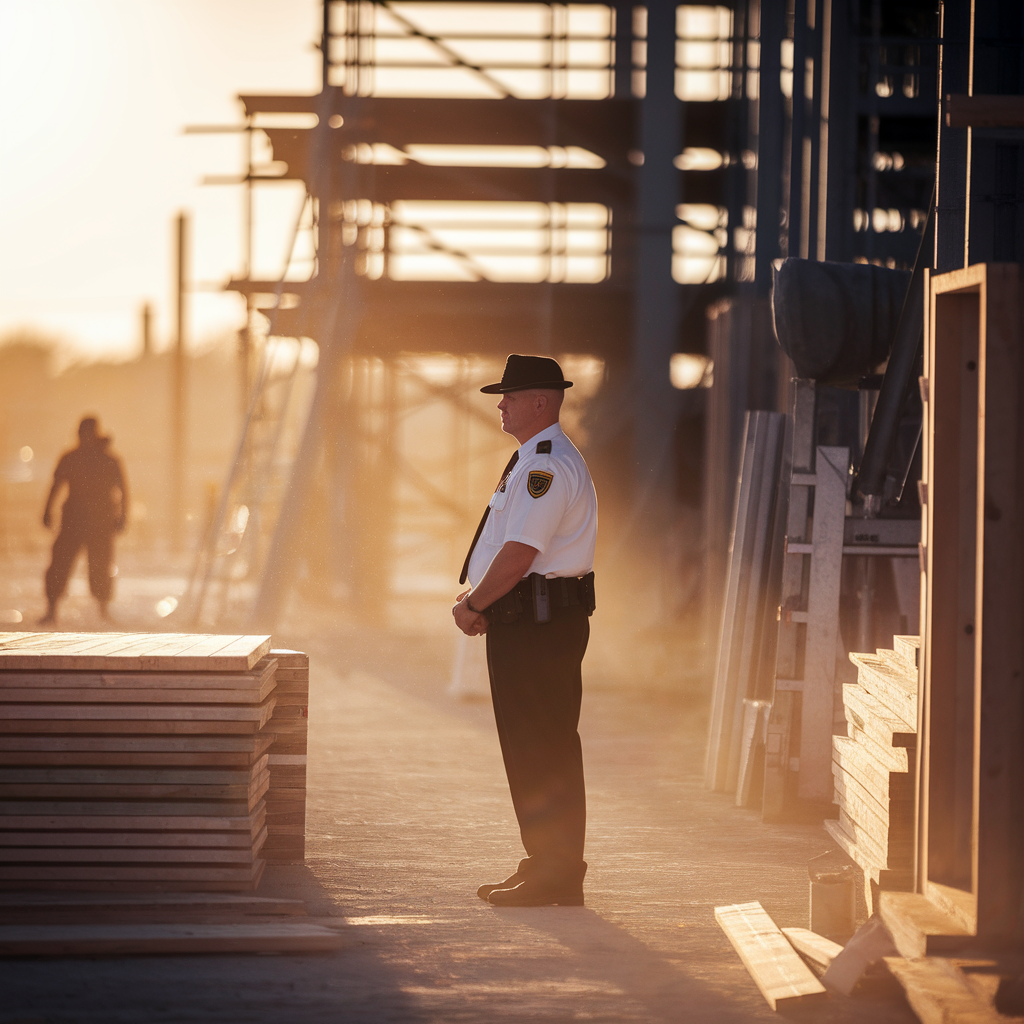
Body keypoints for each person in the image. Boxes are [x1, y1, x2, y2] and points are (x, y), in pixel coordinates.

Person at [453, 354, 597, 907]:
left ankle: (558, 871)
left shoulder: (546, 465)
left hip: (539, 622)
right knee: (530, 746)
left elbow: (519, 555)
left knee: (544, 746)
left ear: (541, 401)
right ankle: (546, 861)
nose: (501, 405)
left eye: (510, 396)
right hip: (528, 620)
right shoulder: (534, 458)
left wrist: (473, 604)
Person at [40, 416, 128, 625]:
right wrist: (46, 511)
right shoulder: (71, 458)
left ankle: (103, 610)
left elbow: (123, 491)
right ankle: (52, 609)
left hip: (100, 522)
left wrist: (123, 516)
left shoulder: (109, 460)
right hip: (74, 520)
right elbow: (56, 485)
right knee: (60, 564)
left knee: (100, 566)